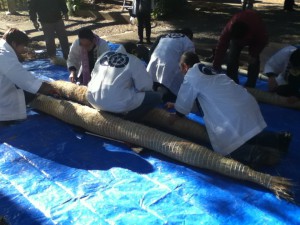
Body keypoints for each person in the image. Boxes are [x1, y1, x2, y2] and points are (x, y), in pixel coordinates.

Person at [167, 52, 292, 167]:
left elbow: (184, 102)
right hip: (246, 103)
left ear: (184, 66)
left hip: (233, 113)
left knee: (229, 148)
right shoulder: (206, 70)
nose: (180, 71)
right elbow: (201, 100)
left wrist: (177, 114)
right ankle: (278, 139)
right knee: (248, 133)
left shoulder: (191, 76)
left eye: (180, 67)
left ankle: (260, 155)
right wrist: (177, 105)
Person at [87, 44, 161, 122]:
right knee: (156, 97)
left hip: (92, 98)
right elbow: (146, 86)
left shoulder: (104, 54)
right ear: (135, 53)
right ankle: (128, 120)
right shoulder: (134, 60)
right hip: (116, 103)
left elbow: (93, 74)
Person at [0, 28, 59, 124]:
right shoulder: (4, 56)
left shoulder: (3, 47)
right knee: (32, 91)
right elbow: (25, 80)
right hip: (2, 103)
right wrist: (49, 88)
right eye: (22, 46)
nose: (23, 50)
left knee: (30, 92)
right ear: (14, 43)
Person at [212, 10, 268, 88]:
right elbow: (222, 45)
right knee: (232, 56)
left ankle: (250, 85)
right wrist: (216, 64)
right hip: (239, 34)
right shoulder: (229, 28)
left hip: (255, 39)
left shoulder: (257, 28)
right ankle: (232, 81)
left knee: (254, 61)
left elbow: (263, 41)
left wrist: (254, 53)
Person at [147, 28, 195, 102]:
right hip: (169, 65)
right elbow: (190, 62)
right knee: (175, 87)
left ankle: (159, 89)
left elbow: (151, 52)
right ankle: (163, 93)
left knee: (156, 80)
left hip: (153, 61)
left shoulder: (166, 36)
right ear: (189, 36)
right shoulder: (187, 41)